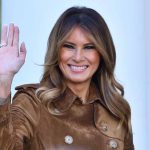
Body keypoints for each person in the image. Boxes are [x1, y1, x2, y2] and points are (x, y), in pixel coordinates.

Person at [0, 6, 134, 150]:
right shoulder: (33, 102)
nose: (78, 57)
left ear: (102, 53)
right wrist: (3, 83)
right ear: (56, 51)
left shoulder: (116, 110)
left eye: (89, 47)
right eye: (69, 46)